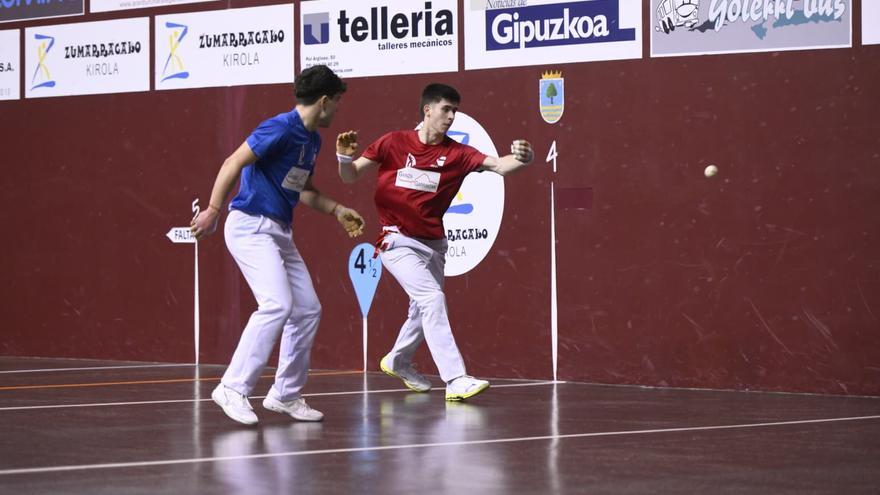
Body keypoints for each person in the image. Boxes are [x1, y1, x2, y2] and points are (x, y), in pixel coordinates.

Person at [190, 65, 365, 425]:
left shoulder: (312, 140)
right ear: (323, 101)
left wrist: (338, 210)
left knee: (307, 309)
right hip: (250, 224)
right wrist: (212, 210)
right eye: (337, 103)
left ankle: (285, 394)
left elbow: (303, 190)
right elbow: (234, 161)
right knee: (277, 304)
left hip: (279, 231)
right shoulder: (279, 128)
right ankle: (231, 387)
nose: (338, 110)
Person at [335, 83, 534, 401]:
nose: (452, 116)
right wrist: (344, 159)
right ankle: (455, 379)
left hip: (434, 245)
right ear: (427, 110)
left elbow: (500, 165)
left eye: (455, 110)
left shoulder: (457, 153)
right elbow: (351, 175)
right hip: (395, 240)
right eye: (446, 109)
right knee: (431, 300)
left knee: (421, 308)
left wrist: (523, 158)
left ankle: (398, 360)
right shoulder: (393, 143)